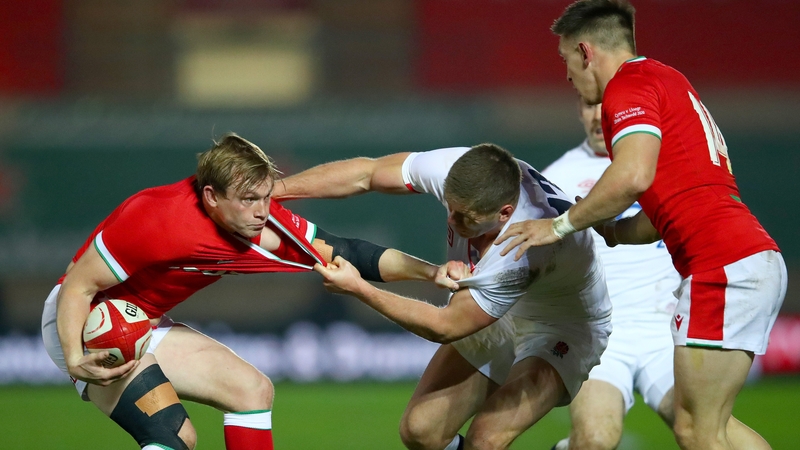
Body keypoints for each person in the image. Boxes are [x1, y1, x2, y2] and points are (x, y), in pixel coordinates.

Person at [41, 133, 460, 450]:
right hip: (88, 323)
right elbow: (78, 284)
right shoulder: (155, 218)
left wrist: (432, 272)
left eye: (264, 196)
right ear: (211, 196)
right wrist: (76, 359)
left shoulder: (264, 227)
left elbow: (350, 253)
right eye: (247, 200)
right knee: (176, 437)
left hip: (145, 323)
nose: (262, 211)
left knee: (251, 391)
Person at [495, 2, 787, 449]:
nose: (567, 75)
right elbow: (655, 215)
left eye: (565, 60)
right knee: (714, 428)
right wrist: (612, 231)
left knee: (697, 431)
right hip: (744, 257)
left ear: (585, 52)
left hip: (720, 267)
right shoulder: (666, 79)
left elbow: (632, 177)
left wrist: (558, 227)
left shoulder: (626, 88)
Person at [274, 143, 613, 450]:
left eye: (466, 217)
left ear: (505, 213)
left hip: (563, 327)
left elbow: (444, 326)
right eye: (450, 208)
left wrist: (359, 288)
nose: (452, 219)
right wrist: (274, 193)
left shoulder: (521, 250)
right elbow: (367, 173)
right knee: (422, 431)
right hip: (498, 309)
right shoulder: (456, 170)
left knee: (485, 439)